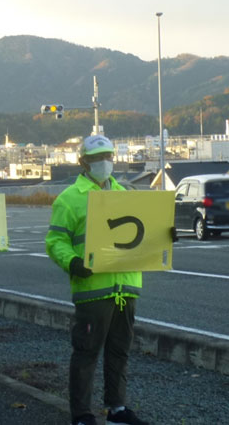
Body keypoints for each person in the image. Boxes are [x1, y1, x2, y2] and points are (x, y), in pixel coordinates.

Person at [45, 135, 150, 425]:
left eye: (108, 156)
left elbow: (142, 234)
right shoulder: (70, 198)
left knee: (120, 351)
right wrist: (72, 262)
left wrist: (165, 235)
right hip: (92, 288)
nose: (105, 163)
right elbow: (55, 241)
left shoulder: (125, 193)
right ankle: (81, 414)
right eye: (97, 158)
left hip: (125, 287)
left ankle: (117, 408)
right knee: (86, 352)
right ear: (83, 162)